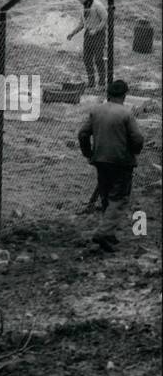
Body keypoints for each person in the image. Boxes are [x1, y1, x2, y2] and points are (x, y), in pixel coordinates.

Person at [77, 79, 144, 250]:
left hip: (100, 160)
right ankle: (103, 232)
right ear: (124, 95)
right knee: (119, 198)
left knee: (106, 196)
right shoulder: (126, 114)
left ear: (108, 94)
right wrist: (134, 151)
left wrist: (88, 153)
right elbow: (137, 139)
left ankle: (109, 235)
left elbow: (83, 134)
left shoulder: (96, 110)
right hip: (121, 162)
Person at [66, 0, 107, 90]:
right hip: (88, 35)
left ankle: (102, 82)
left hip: (99, 34)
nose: (79, 1)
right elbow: (81, 24)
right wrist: (72, 33)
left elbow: (105, 19)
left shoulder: (97, 5)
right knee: (87, 59)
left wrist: (96, 29)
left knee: (98, 58)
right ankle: (91, 82)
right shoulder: (83, 8)